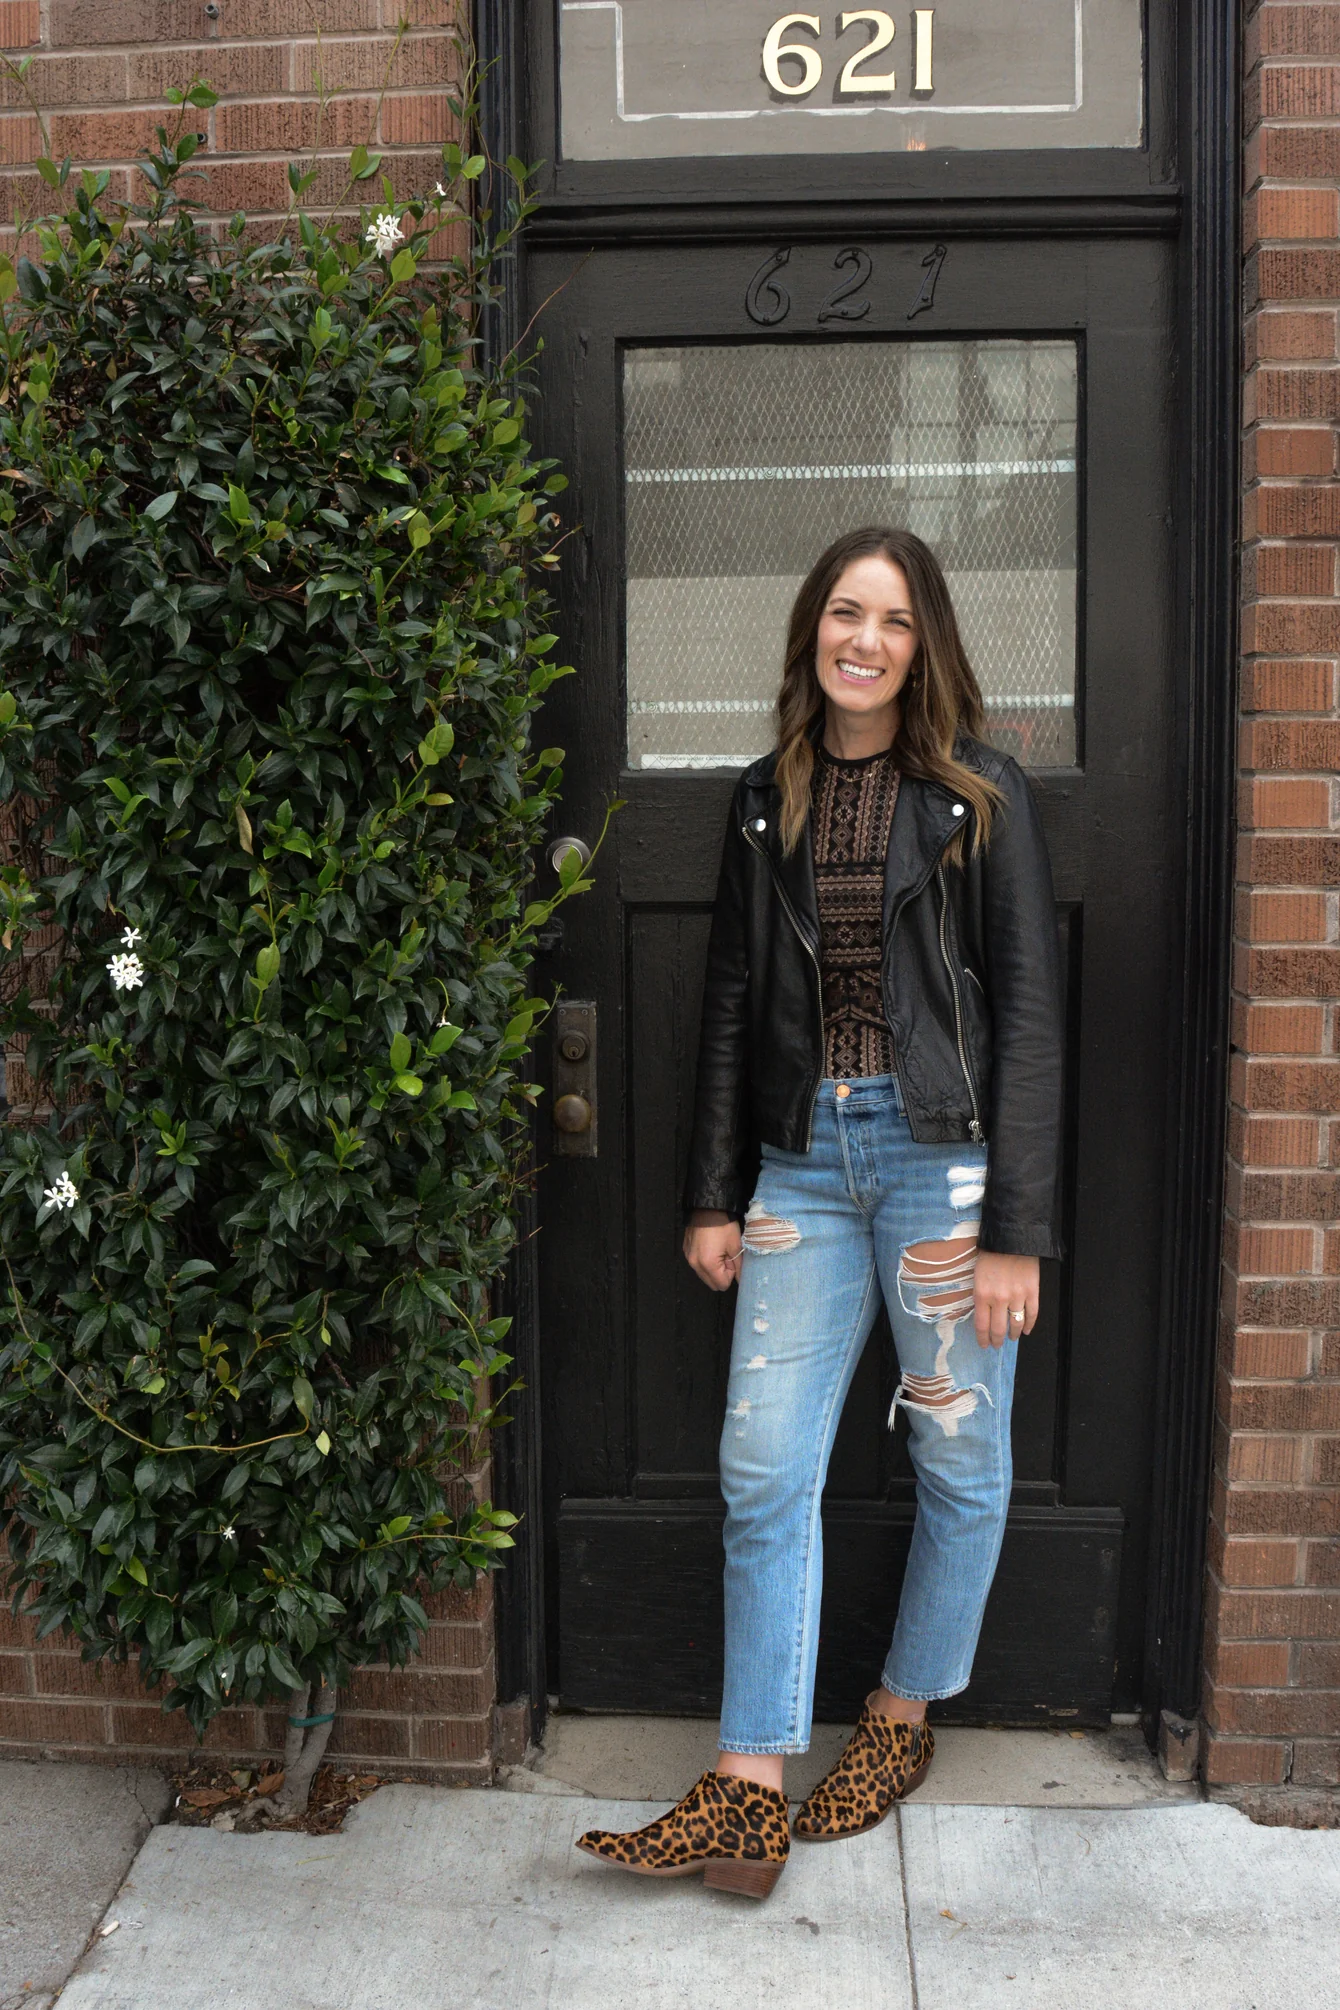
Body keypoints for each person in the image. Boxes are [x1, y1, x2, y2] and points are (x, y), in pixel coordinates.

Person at [576, 525, 1065, 1899]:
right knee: (763, 1465)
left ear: (926, 646)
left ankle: (900, 1715)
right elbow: (733, 1003)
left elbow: (1030, 1016)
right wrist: (711, 1192)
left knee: (960, 1456)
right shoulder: (765, 797)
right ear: (813, 631)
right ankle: (748, 1786)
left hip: (941, 1166)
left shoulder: (981, 797)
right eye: (847, 613)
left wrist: (1018, 1227)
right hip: (802, 1166)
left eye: (895, 621)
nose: (867, 640)